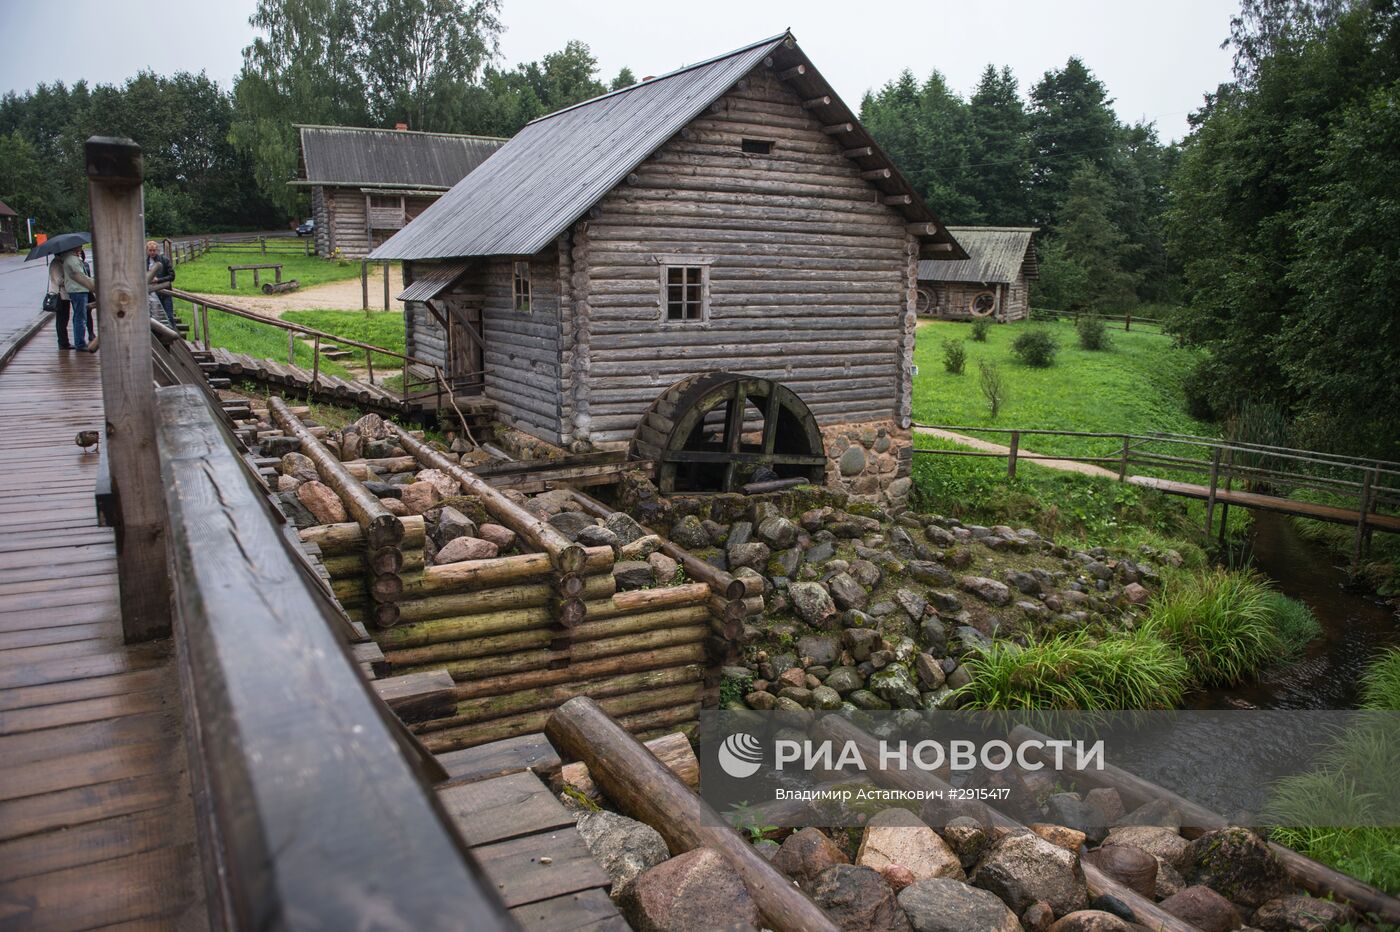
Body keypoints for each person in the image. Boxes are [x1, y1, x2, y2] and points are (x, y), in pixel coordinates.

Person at [62, 246, 96, 351]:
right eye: (80, 246)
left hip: (76, 290)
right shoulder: (72, 260)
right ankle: (80, 343)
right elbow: (80, 276)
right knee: (80, 318)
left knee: (78, 316)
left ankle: (79, 341)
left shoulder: (70, 258)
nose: (81, 248)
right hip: (79, 290)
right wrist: (93, 284)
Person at [145, 241, 177, 327]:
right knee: (154, 318)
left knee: (169, 316)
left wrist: (158, 280)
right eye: (150, 250)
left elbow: (172, 276)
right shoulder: (144, 262)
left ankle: (173, 335)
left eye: (154, 250)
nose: (152, 252)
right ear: (147, 250)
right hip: (151, 295)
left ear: (157, 250)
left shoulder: (164, 260)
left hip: (165, 292)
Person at [45, 255, 71, 350]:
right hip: (60, 295)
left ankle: (64, 341)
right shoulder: (56, 264)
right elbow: (59, 280)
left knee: (63, 319)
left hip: (63, 295)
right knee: (62, 320)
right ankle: (63, 342)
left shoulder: (59, 263)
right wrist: (69, 279)